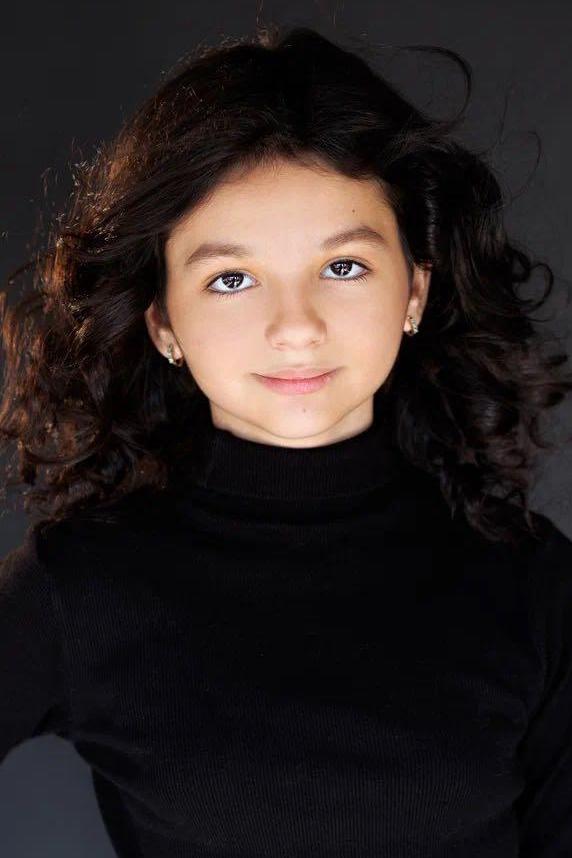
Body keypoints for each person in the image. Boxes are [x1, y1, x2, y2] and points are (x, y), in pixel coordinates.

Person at [1, 23, 571, 858]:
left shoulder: (534, 586)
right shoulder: (80, 586)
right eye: (231, 279)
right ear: (163, 320)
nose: (296, 328)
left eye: (343, 267)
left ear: (414, 290)